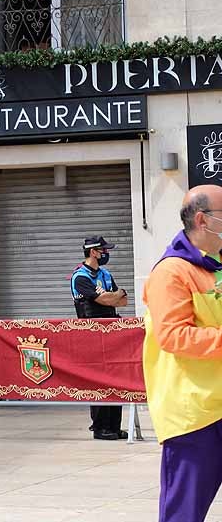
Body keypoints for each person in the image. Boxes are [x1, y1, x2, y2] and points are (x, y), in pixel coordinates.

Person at [144, 185, 222, 522]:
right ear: (203, 220)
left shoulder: (215, 265)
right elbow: (173, 336)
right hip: (194, 415)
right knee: (184, 513)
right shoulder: (170, 272)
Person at [71, 236, 128, 441]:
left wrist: (114, 296)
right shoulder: (80, 276)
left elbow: (123, 301)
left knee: (116, 378)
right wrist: (112, 296)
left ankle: (114, 426)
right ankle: (100, 427)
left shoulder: (105, 273)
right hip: (91, 335)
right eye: (103, 250)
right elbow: (102, 299)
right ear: (93, 252)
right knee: (98, 381)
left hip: (112, 332)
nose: (106, 253)